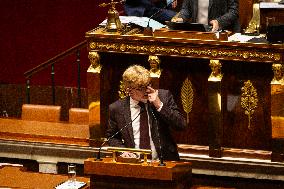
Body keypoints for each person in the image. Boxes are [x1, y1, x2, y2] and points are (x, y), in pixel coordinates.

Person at [106, 65, 187, 161]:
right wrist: (123, 151)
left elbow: (181, 125)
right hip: (134, 164)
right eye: (141, 88)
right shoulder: (117, 108)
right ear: (129, 90)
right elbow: (112, 137)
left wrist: (159, 105)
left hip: (164, 162)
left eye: (148, 85)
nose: (147, 90)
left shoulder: (163, 97)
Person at [171, 0, 240, 32]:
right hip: (198, 32)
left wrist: (219, 22)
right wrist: (181, 18)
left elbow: (233, 11)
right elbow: (186, 8)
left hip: (222, 32)